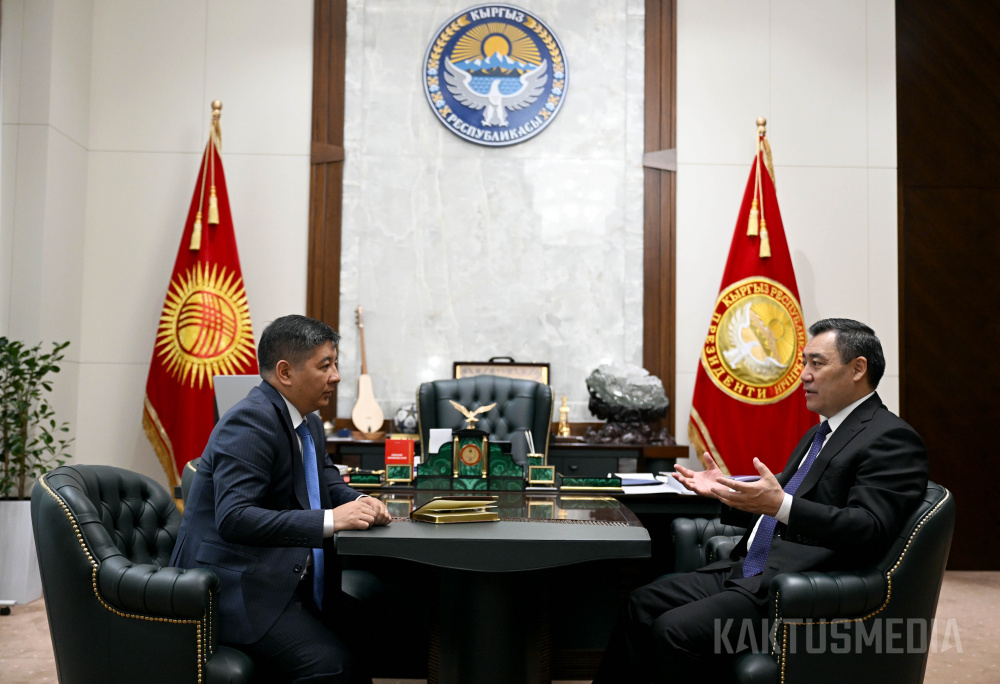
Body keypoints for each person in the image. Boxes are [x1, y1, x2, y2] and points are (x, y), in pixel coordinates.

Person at [594, 318, 928, 683]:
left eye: (817, 363)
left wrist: (780, 505)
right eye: (804, 362)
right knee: (639, 604)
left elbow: (868, 527)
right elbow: (774, 501)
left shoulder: (891, 438)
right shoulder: (821, 432)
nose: (803, 375)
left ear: (857, 369)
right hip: (748, 570)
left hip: (794, 590)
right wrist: (725, 490)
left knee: (673, 630)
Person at [171, 314, 391, 683]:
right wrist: (332, 519)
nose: (337, 376)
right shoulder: (250, 421)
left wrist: (362, 500)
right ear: (285, 372)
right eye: (325, 365)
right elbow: (236, 517)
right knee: (332, 665)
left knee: (375, 632)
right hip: (238, 589)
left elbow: (326, 481)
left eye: (335, 364)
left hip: (286, 577)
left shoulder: (308, 421)